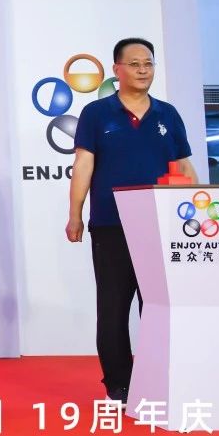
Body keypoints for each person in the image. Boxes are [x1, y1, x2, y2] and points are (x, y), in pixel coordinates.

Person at [66, 37, 196, 402]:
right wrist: (75, 214)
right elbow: (84, 165)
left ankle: (159, 377)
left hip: (163, 226)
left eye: (148, 64)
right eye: (135, 64)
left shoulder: (168, 114)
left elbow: (184, 165)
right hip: (111, 224)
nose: (143, 70)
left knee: (158, 305)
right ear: (116, 70)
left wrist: (197, 208)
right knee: (113, 307)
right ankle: (119, 384)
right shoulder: (97, 113)